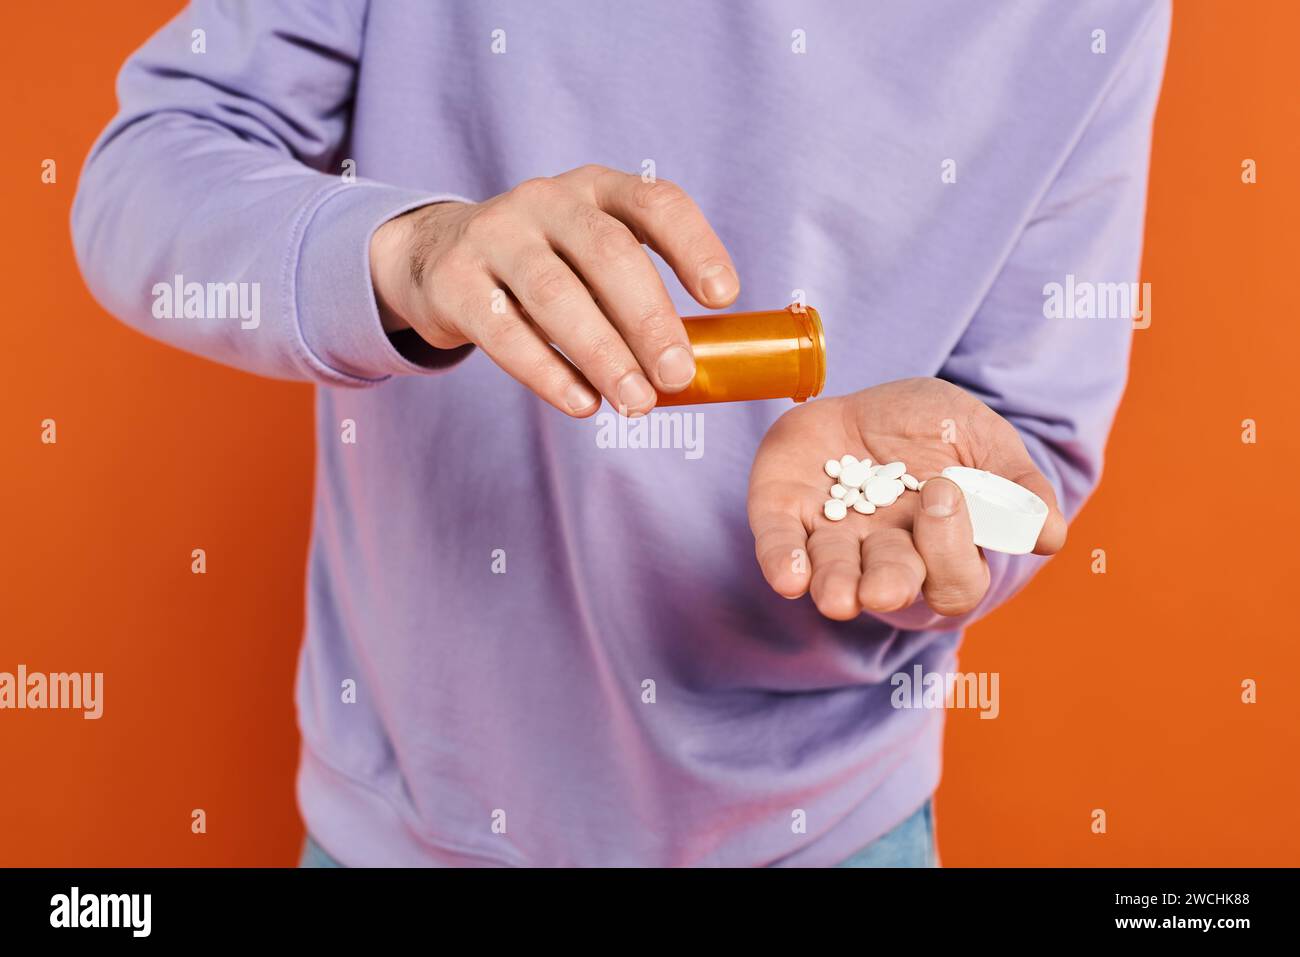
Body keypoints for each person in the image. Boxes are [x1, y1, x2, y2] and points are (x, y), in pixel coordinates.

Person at [72, 1, 1170, 867]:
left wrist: (939, 521)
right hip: (413, 822)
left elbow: (1027, 456)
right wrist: (411, 258)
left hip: (826, 831)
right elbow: (146, 170)